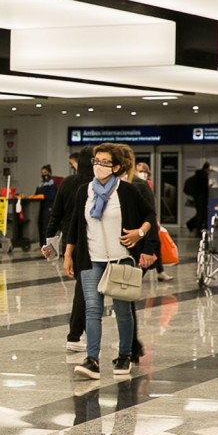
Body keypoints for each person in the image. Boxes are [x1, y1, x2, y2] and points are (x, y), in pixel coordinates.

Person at [64, 143, 158, 380]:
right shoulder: (85, 191)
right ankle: (92, 360)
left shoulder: (127, 191)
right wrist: (68, 254)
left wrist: (140, 233)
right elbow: (76, 224)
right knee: (92, 310)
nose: (99, 166)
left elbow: (149, 215)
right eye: (96, 161)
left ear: (116, 167)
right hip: (91, 259)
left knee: (122, 310)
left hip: (121, 259)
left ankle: (124, 355)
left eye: (104, 162)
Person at [42, 147, 93, 354]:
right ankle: (76, 334)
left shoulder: (67, 183)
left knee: (83, 287)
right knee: (86, 289)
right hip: (91, 241)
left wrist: (49, 242)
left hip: (70, 242)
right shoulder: (96, 185)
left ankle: (79, 333)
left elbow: (56, 214)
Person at [135, 161, 172, 282]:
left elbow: (150, 207)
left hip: (149, 221)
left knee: (155, 245)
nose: (143, 174)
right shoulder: (134, 184)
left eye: (145, 171)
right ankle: (155, 271)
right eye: (140, 171)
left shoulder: (147, 184)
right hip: (139, 222)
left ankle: (159, 271)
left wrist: (155, 220)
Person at [186, 162, 211, 235]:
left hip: (197, 197)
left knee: (200, 213)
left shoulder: (199, 175)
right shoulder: (204, 175)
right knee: (201, 213)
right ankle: (196, 227)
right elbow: (204, 187)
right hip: (201, 198)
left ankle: (192, 225)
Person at [35, 164, 57, 244]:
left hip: (48, 208)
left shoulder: (52, 184)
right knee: (40, 225)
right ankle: (41, 244)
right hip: (40, 207)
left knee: (46, 226)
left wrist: (44, 196)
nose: (44, 175)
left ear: (49, 173)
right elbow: (36, 195)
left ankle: (46, 244)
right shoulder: (40, 185)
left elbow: (53, 196)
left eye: (45, 172)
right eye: (42, 173)